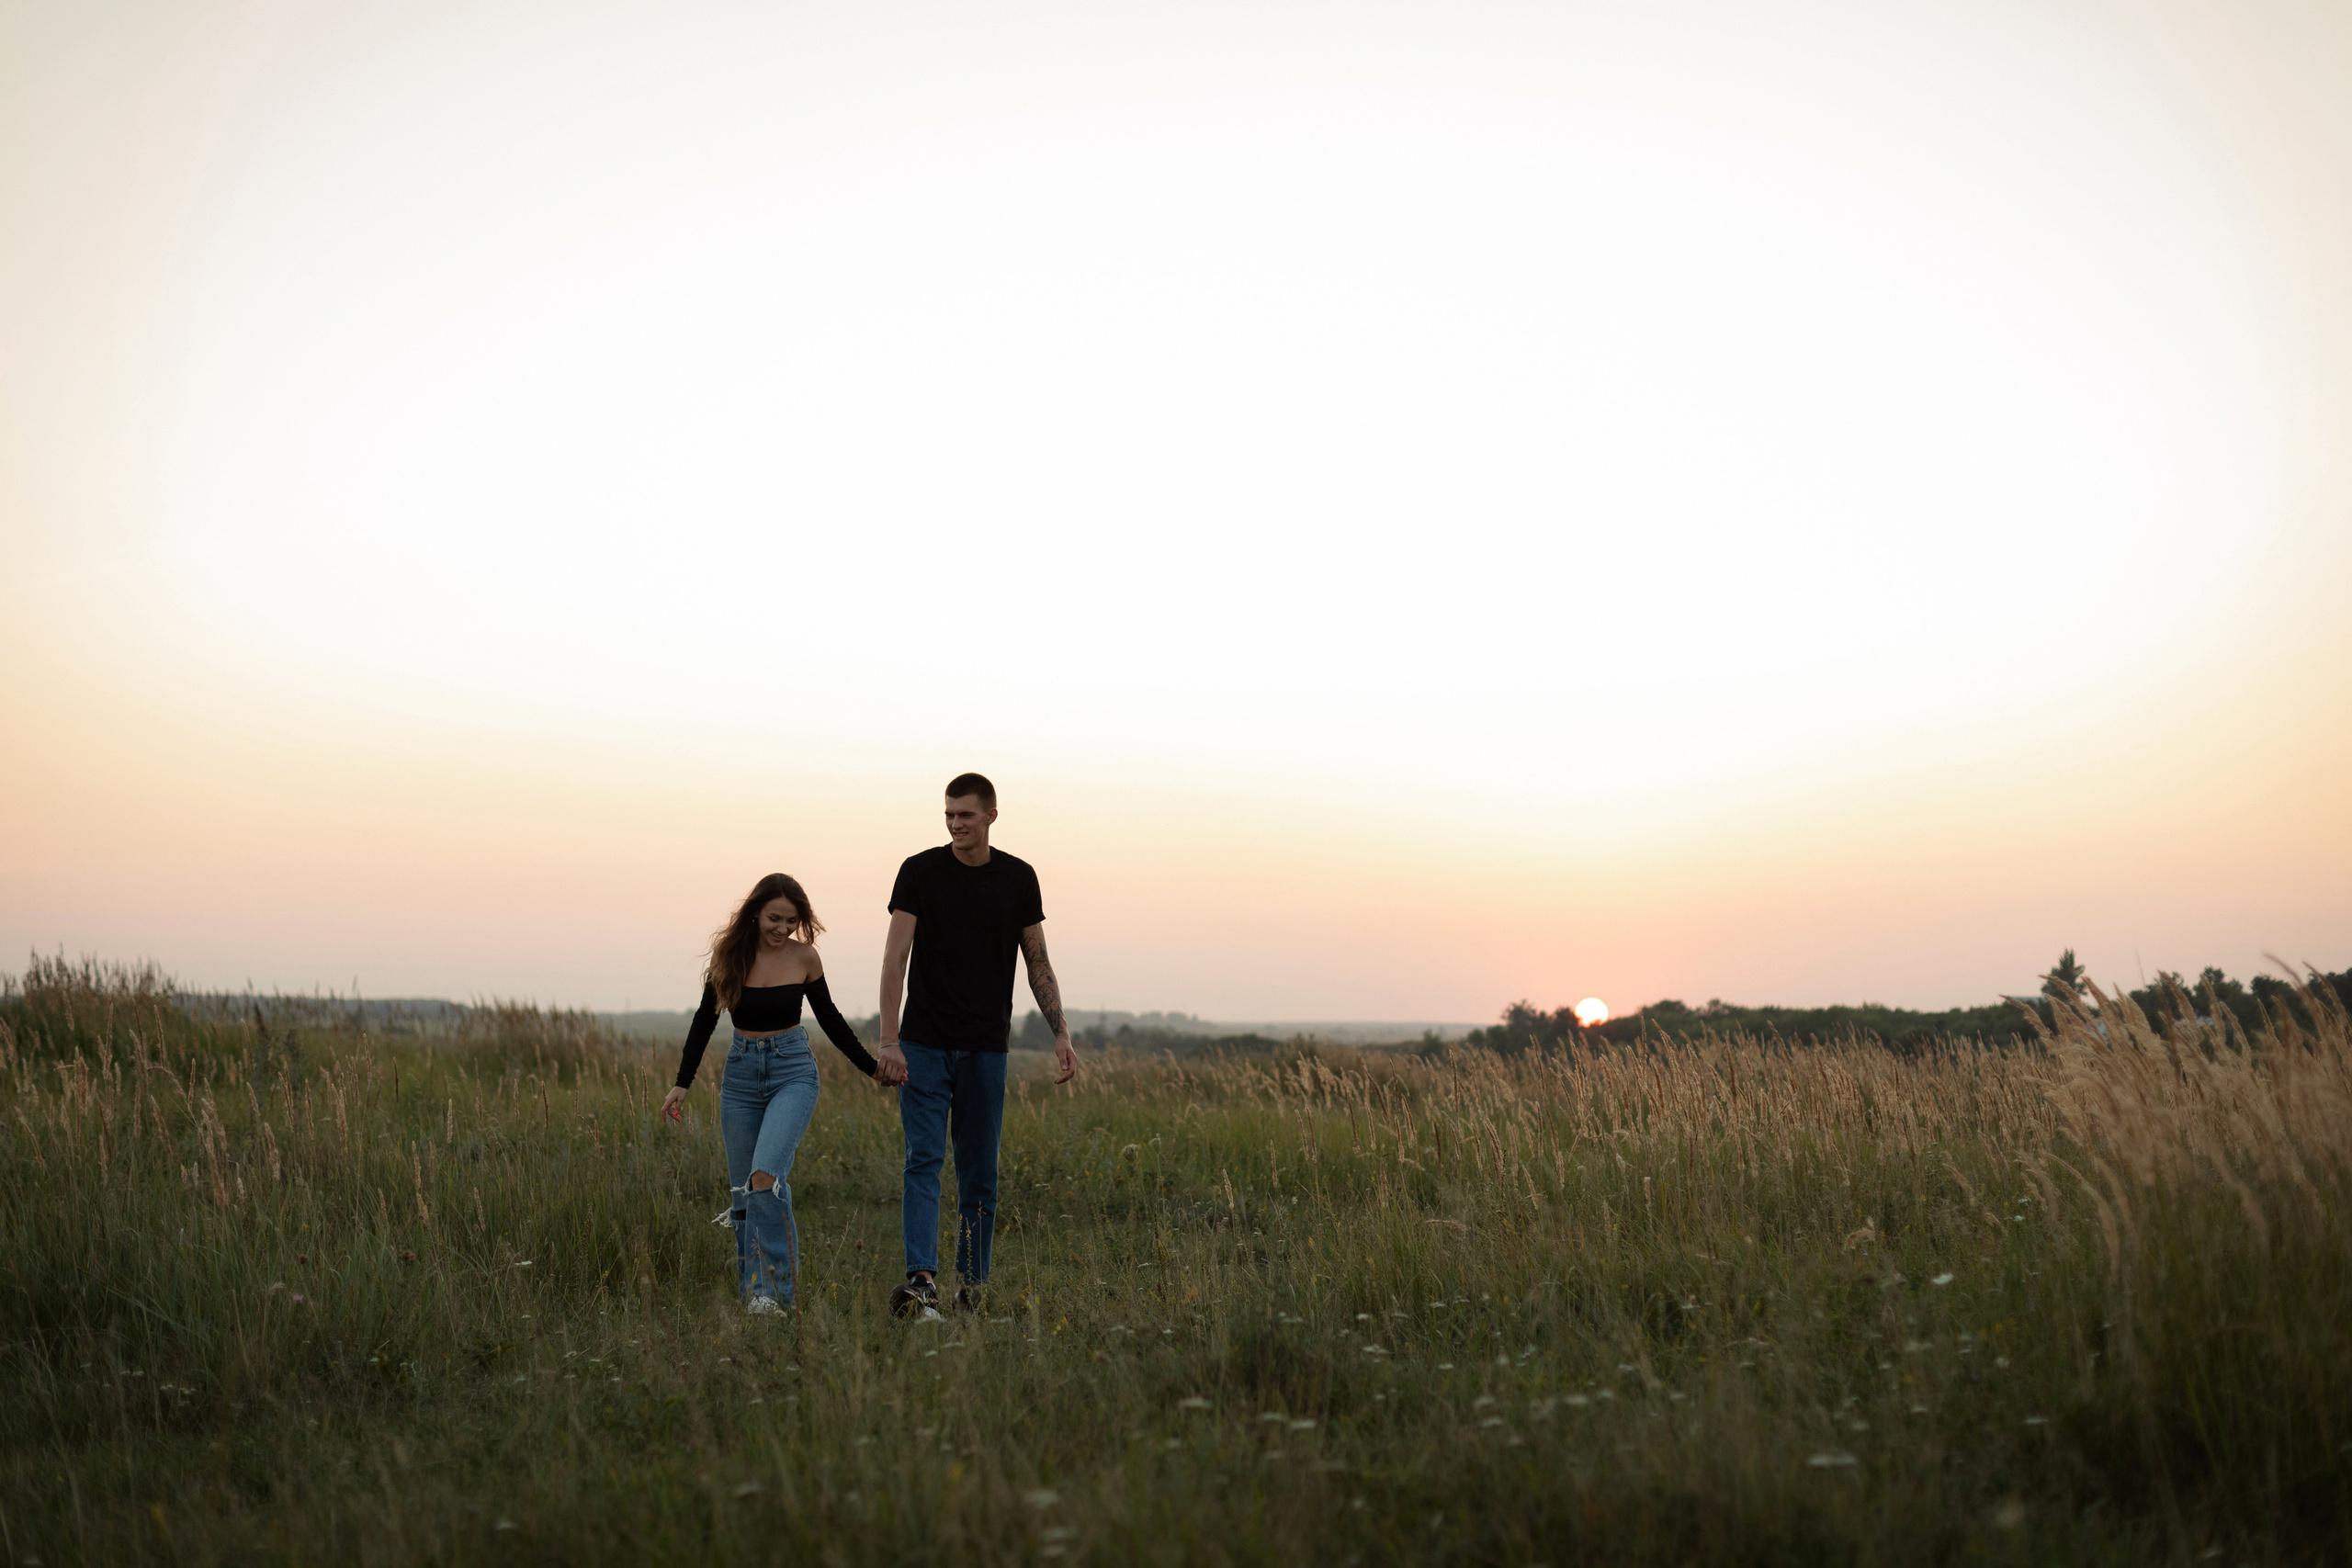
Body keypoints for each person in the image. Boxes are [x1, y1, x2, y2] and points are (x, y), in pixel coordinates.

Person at [876, 773, 1076, 1319]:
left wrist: (1060, 1031)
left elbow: (1037, 961)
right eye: (949, 815)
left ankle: (971, 1288)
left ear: (991, 815)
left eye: (965, 815)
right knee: (923, 1159)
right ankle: (921, 1282)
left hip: (987, 1048)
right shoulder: (918, 871)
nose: (956, 824)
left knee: (980, 1170)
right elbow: (895, 958)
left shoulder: (1018, 878)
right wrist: (889, 1041)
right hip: (922, 1044)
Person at [661, 873, 900, 1314]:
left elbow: (829, 1018)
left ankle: (774, 1295)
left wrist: (871, 1068)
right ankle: (758, 1294)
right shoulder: (730, 957)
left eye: (791, 921)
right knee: (744, 1191)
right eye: (775, 918)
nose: (782, 928)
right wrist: (682, 1082)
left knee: (764, 1179)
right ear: (755, 912)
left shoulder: (805, 958)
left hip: (793, 1072)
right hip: (740, 1078)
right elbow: (703, 1020)